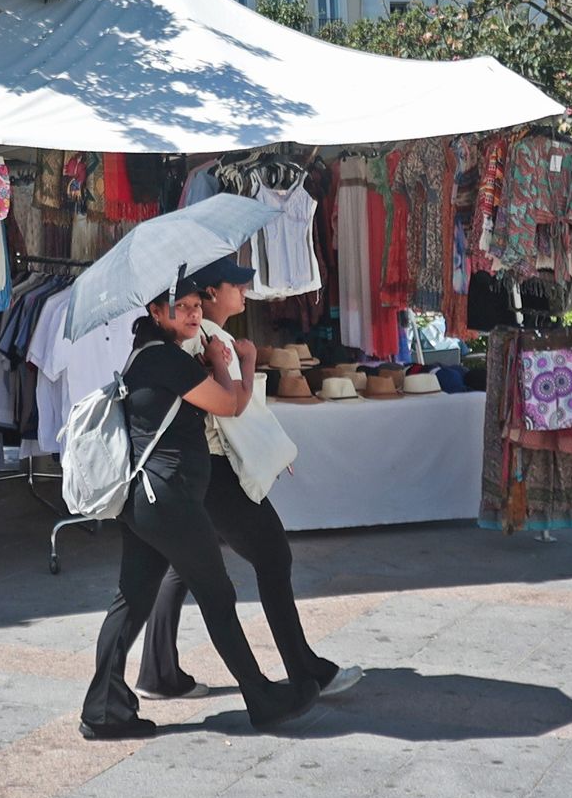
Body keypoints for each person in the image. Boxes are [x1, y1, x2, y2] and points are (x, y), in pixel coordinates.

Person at [80, 272, 321, 740]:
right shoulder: (167, 359)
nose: (193, 314)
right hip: (169, 500)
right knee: (217, 594)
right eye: (181, 307)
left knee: (132, 602)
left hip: (148, 499)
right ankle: (261, 698)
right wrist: (230, 363)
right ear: (156, 312)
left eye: (195, 305)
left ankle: (103, 709)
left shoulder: (147, 354)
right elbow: (229, 404)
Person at [135, 255, 362, 703]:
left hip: (196, 472)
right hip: (215, 470)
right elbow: (232, 410)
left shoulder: (201, 338)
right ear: (211, 293)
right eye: (236, 285)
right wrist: (247, 362)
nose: (244, 292)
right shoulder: (209, 340)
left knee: (182, 567)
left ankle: (157, 672)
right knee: (272, 557)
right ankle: (304, 670)